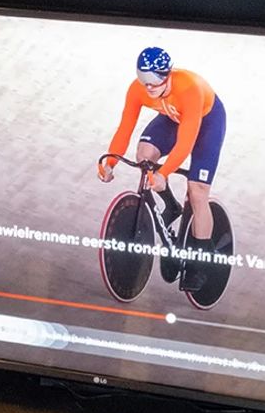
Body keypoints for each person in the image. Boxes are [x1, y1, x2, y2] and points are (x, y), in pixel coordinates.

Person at [97, 48, 228, 293]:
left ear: (167, 76)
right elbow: (125, 127)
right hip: (174, 116)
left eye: (155, 81)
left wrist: (164, 173)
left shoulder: (188, 88)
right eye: (143, 80)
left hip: (207, 121)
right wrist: (111, 162)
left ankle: (201, 260)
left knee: (197, 191)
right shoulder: (138, 89)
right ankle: (171, 205)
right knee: (145, 155)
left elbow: (186, 143)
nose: (148, 87)